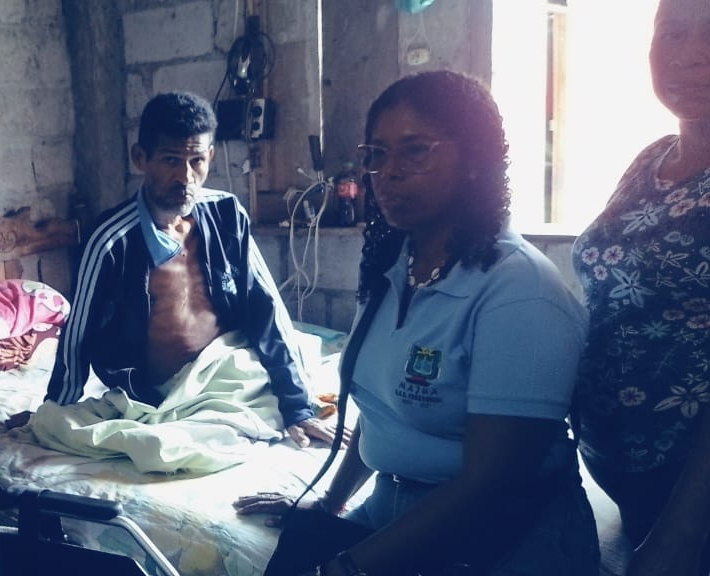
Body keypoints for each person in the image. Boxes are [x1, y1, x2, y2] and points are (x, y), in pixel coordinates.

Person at [234, 70, 600, 575]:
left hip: (502, 532)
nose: (388, 173)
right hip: (397, 504)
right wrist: (328, 504)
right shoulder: (394, 267)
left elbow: (489, 483)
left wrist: (348, 568)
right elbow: (382, 412)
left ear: (474, 160)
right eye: (377, 154)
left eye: (415, 151)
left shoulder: (520, 293)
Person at [8, 91, 337, 455]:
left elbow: (266, 309)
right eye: (170, 161)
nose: (185, 177)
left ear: (210, 156)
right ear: (140, 158)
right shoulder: (111, 239)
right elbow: (78, 334)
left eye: (197, 161)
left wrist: (297, 407)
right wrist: (54, 410)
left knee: (288, 388)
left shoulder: (228, 215)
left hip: (230, 369)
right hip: (162, 394)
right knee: (158, 450)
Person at [572, 1, 710, 573]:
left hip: (691, 497)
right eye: (672, 32)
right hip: (625, 475)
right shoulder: (651, 159)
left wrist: (682, 532)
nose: (692, 54)